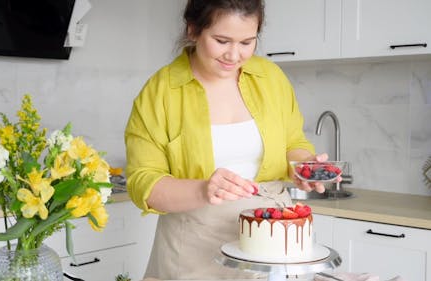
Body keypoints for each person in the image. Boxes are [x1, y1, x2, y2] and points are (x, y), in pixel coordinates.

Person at [125, 0, 333, 279]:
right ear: (193, 30)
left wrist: (304, 166)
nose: (234, 55)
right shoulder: (160, 92)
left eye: (247, 42)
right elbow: (144, 184)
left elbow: (293, 143)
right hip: (193, 247)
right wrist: (204, 190)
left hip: (269, 247)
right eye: (222, 40)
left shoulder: (270, 78)